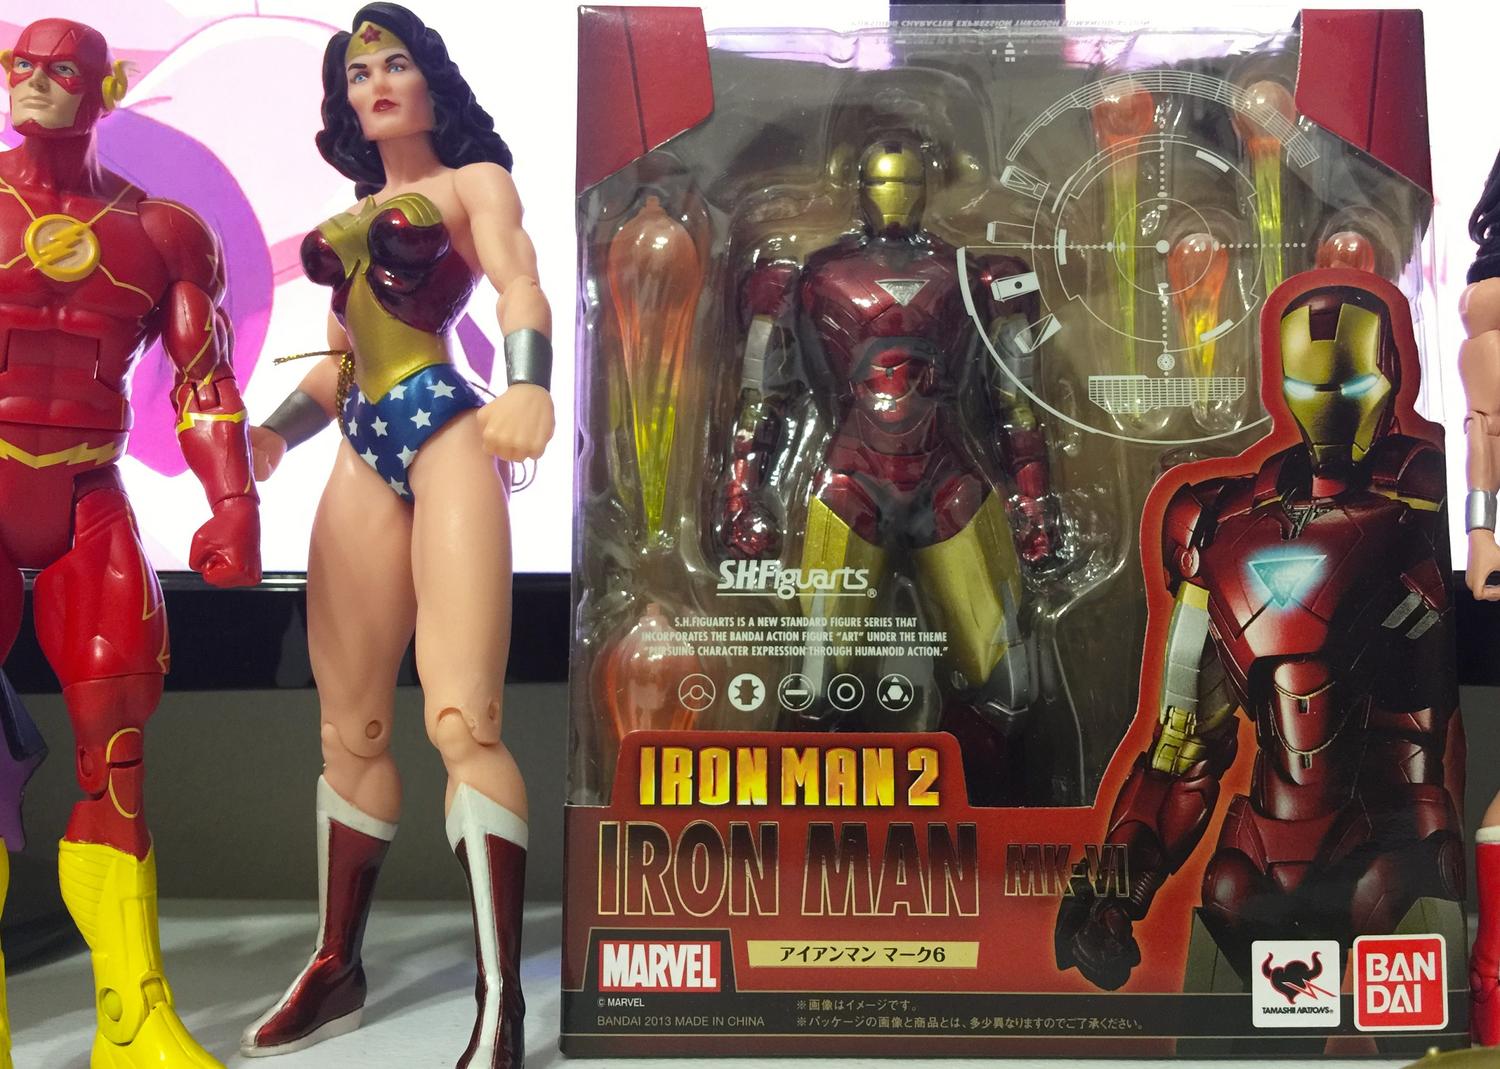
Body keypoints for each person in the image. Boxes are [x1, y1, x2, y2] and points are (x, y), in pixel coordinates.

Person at [240, 6, 552, 1067]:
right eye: (358, 70)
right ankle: (337, 964)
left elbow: (518, 282)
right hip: (364, 441)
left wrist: (528, 385)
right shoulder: (354, 214)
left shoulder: (474, 185)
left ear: (431, 82)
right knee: (351, 730)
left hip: (446, 432)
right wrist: (269, 437)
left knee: (462, 719)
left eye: (395, 63)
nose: (375, 82)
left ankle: (501, 1000)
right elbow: (342, 365)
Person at [1055, 274, 1464, 1030]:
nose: (1332, 408)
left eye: (1351, 385)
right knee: (1232, 908)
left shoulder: (1436, 499)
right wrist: (1115, 893)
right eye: (1312, 387)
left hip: (1397, 837)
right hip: (1256, 859)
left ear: (1388, 375)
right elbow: (1183, 747)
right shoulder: (1220, 521)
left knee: (1388, 944)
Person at [0, 17, 262, 1068]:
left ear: (104, 87)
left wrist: (233, 502)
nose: (33, 83)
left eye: (58, 69)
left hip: (88, 491)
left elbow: (204, 380)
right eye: (20, 66)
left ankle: (132, 1014)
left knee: (116, 749)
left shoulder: (160, 232)